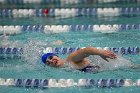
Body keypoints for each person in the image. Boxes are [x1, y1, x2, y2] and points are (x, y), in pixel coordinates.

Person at [41, 46, 117, 73]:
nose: (51, 61)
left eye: (50, 57)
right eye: (48, 63)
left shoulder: (70, 60)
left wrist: (100, 52)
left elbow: (86, 50)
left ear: (57, 56)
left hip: (111, 64)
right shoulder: (65, 68)